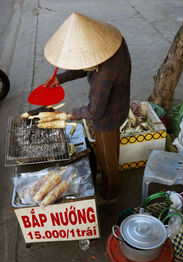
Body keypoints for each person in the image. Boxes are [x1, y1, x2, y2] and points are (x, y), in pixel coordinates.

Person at [44, 12, 132, 205]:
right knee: (109, 153)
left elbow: (94, 112)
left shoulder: (104, 74)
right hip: (119, 105)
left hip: (107, 117)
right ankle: (110, 178)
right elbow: (85, 64)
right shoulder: (113, 44)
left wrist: (70, 114)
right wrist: (61, 78)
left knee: (107, 159)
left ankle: (110, 195)